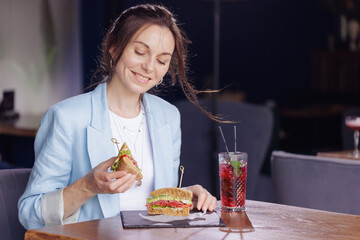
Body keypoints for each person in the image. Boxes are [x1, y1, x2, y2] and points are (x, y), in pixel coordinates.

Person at [18, 4, 219, 230]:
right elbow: (30, 214)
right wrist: (88, 186)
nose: (148, 67)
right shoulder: (66, 117)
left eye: (162, 61)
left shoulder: (168, 117)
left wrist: (181, 196)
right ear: (114, 48)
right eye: (140, 52)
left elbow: (151, 204)